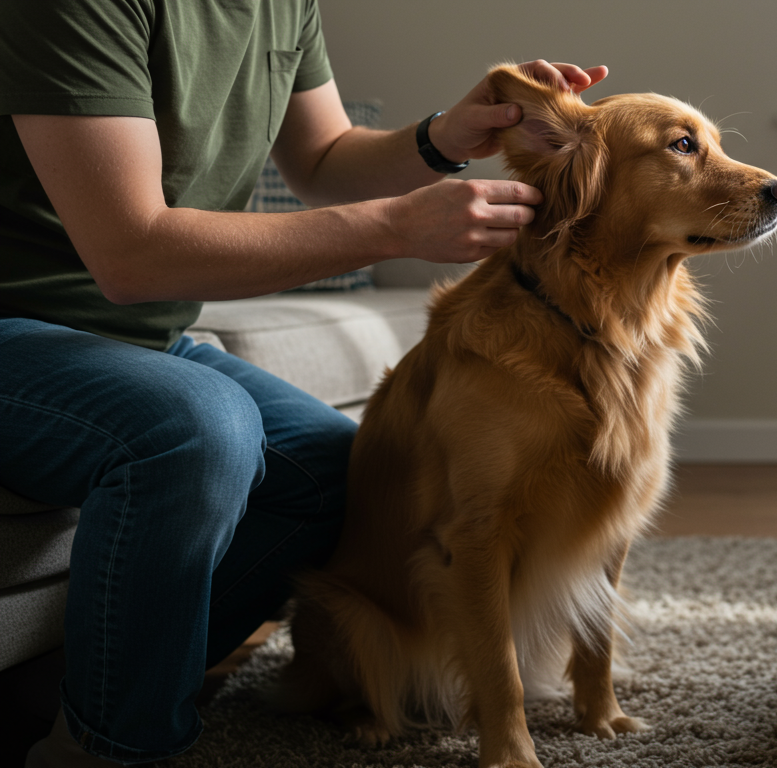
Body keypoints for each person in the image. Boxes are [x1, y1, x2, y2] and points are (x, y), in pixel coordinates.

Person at [0, 1, 606, 765]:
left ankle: (84, 684)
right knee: (197, 426)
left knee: (332, 468)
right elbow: (131, 254)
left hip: (139, 340)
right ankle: (110, 748)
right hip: (16, 328)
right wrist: (397, 228)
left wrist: (443, 135)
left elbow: (321, 160)